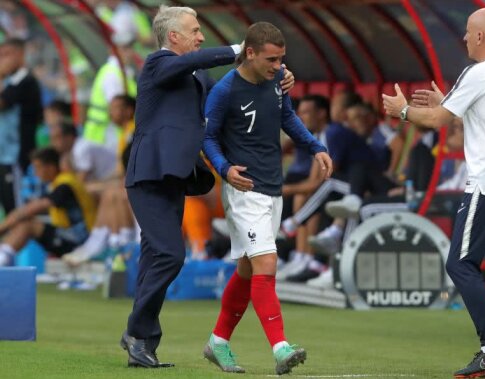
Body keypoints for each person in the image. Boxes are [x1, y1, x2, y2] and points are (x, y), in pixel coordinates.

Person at [120, 6, 294, 369]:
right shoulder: (157, 63)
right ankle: (137, 333)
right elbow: (198, 63)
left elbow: (236, 91)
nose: (200, 37)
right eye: (195, 31)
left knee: (156, 256)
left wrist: (273, 74)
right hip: (148, 176)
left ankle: (141, 341)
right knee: (170, 255)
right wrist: (242, 47)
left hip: (174, 178)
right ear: (174, 37)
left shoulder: (198, 77)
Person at [383, 7, 485, 379]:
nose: (464, 38)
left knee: (459, 264)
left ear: (480, 37)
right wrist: (444, 106)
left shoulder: (479, 71)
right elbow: (481, 119)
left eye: (467, 32)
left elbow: (435, 122)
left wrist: (402, 112)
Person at [202, 22, 332, 375]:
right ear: (250, 53)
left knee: (247, 269)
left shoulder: (278, 81)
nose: (278, 66)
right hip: (244, 189)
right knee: (267, 264)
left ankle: (218, 341)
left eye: (281, 59)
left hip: (272, 188)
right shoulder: (225, 91)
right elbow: (208, 138)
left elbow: (287, 117)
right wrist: (225, 169)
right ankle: (280, 347)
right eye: (271, 59)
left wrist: (315, 147)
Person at [0, 148, 96, 266]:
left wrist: (2, 228)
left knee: (28, 225)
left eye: (38, 167)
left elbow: (28, 210)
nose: (35, 172)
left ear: (51, 167)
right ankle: (3, 255)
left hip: (80, 241)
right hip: (71, 237)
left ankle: (2, 259)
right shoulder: (56, 184)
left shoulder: (64, 186)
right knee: (25, 223)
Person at [0, 38, 43, 214]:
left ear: (20, 54)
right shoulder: (10, 81)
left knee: (17, 209)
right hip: (4, 155)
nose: (2, 59)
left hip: (16, 157)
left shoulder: (24, 80)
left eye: (6, 55)